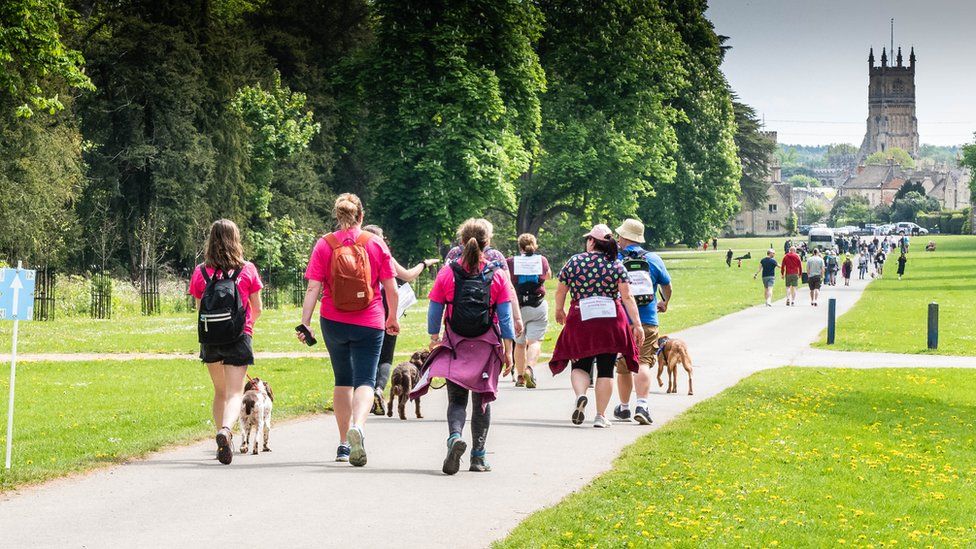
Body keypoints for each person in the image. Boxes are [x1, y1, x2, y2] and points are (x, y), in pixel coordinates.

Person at [298, 193, 399, 467]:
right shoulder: (375, 243)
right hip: (370, 321)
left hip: (333, 320)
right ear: (361, 217)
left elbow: (312, 288)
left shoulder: (325, 244)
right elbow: (390, 287)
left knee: (342, 379)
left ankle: (344, 443)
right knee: (365, 380)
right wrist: (392, 318)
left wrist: (305, 323)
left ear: (337, 215)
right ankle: (359, 426)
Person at [413, 219, 515, 474]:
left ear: (461, 242)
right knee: (482, 402)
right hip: (486, 345)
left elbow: (435, 307)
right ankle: (478, 456)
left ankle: (454, 437)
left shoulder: (447, 273)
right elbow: (505, 317)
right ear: (487, 243)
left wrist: (433, 336)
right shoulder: (497, 275)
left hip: (456, 343)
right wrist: (509, 351)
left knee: (457, 400)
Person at [549, 224, 643, 428]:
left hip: (581, 318)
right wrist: (637, 324)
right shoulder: (616, 264)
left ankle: (581, 395)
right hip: (610, 321)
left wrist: (559, 309)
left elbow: (560, 291)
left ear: (592, 241)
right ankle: (601, 416)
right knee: (606, 368)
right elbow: (627, 296)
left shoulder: (575, 261)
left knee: (580, 364)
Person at [189, 219, 264, 465]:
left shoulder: (201, 271)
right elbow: (257, 308)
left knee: (219, 391)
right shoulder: (248, 270)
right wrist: (244, 325)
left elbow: (199, 310)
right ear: (236, 239)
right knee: (234, 393)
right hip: (239, 336)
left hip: (211, 339)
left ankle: (221, 437)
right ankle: (226, 430)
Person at [362, 225, 439, 415]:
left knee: (365, 355)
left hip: (361, 309)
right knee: (386, 355)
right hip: (385, 308)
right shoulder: (383, 254)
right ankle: (379, 390)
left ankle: (364, 393)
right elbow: (408, 275)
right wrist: (424, 263)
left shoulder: (355, 253)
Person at [612, 218, 671, 425]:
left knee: (624, 365)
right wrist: (664, 303)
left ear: (624, 237)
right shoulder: (653, 259)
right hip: (648, 319)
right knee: (643, 362)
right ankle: (643, 405)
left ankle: (624, 407)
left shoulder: (615, 259)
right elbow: (667, 285)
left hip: (622, 321)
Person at [445, 219, 524, 354]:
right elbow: (508, 288)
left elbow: (444, 286)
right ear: (487, 240)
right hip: (488, 325)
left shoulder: (453, 254)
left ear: (462, 239)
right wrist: (517, 318)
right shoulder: (496, 256)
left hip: (455, 324)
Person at [506, 234, 551, 389]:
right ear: (535, 245)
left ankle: (520, 377)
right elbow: (548, 276)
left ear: (519, 247)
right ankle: (529, 368)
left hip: (518, 308)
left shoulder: (511, 262)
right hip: (537, 305)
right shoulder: (542, 260)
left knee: (519, 344)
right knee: (534, 342)